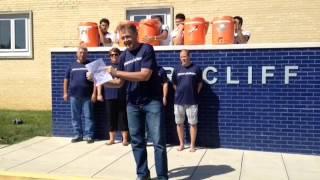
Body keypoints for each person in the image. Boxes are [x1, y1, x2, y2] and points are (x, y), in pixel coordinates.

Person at [105, 23, 168, 180]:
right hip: (132, 104)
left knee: (158, 142)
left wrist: (116, 72)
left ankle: (162, 176)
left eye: (128, 36)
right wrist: (100, 80)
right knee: (137, 142)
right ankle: (142, 175)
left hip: (151, 102)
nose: (125, 40)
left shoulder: (146, 49)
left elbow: (144, 75)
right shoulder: (123, 57)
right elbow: (119, 83)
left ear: (135, 35)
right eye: (123, 38)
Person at [63, 46, 96, 144]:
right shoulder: (71, 66)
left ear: (87, 54)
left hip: (87, 96)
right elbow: (66, 80)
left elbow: (96, 80)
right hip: (74, 95)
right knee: (75, 116)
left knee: (88, 116)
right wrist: (65, 93)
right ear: (77, 54)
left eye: (84, 52)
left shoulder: (90, 65)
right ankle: (77, 135)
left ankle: (89, 136)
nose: (82, 54)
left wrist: (94, 93)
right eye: (80, 52)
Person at [97, 47, 129, 146]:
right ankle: (112, 139)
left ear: (119, 55)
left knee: (123, 118)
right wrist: (99, 93)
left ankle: (125, 139)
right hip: (109, 96)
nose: (114, 56)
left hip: (121, 95)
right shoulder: (106, 68)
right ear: (109, 57)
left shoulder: (123, 66)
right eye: (112, 55)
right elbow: (99, 81)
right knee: (111, 118)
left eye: (116, 54)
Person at [172, 49, 203, 152]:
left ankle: (192, 145)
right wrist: (181, 93)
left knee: (193, 123)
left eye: (184, 57)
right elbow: (174, 84)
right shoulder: (176, 69)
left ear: (189, 56)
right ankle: (181, 144)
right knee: (179, 123)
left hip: (192, 101)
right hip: (178, 101)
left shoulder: (196, 68)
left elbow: (200, 84)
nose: (183, 59)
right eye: (181, 57)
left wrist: (193, 93)